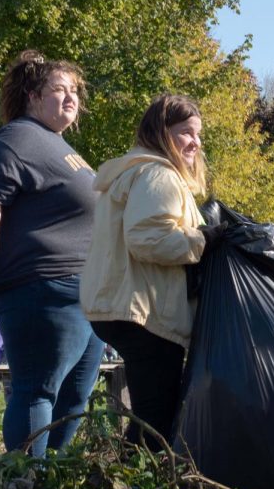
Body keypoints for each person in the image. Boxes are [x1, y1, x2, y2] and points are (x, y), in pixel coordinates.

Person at [0, 49, 103, 457]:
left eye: (75, 90)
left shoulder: (57, 146)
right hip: (41, 289)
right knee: (37, 390)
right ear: (31, 96)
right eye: (59, 89)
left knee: (74, 399)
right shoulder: (17, 138)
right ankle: (23, 487)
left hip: (83, 292)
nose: (71, 97)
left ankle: (48, 484)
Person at [81, 94, 226, 450]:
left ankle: (134, 487)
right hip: (146, 311)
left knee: (151, 413)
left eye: (198, 134)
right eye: (186, 133)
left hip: (122, 304)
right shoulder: (159, 174)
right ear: (162, 133)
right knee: (155, 420)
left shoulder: (134, 172)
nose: (196, 142)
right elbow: (147, 238)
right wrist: (203, 240)